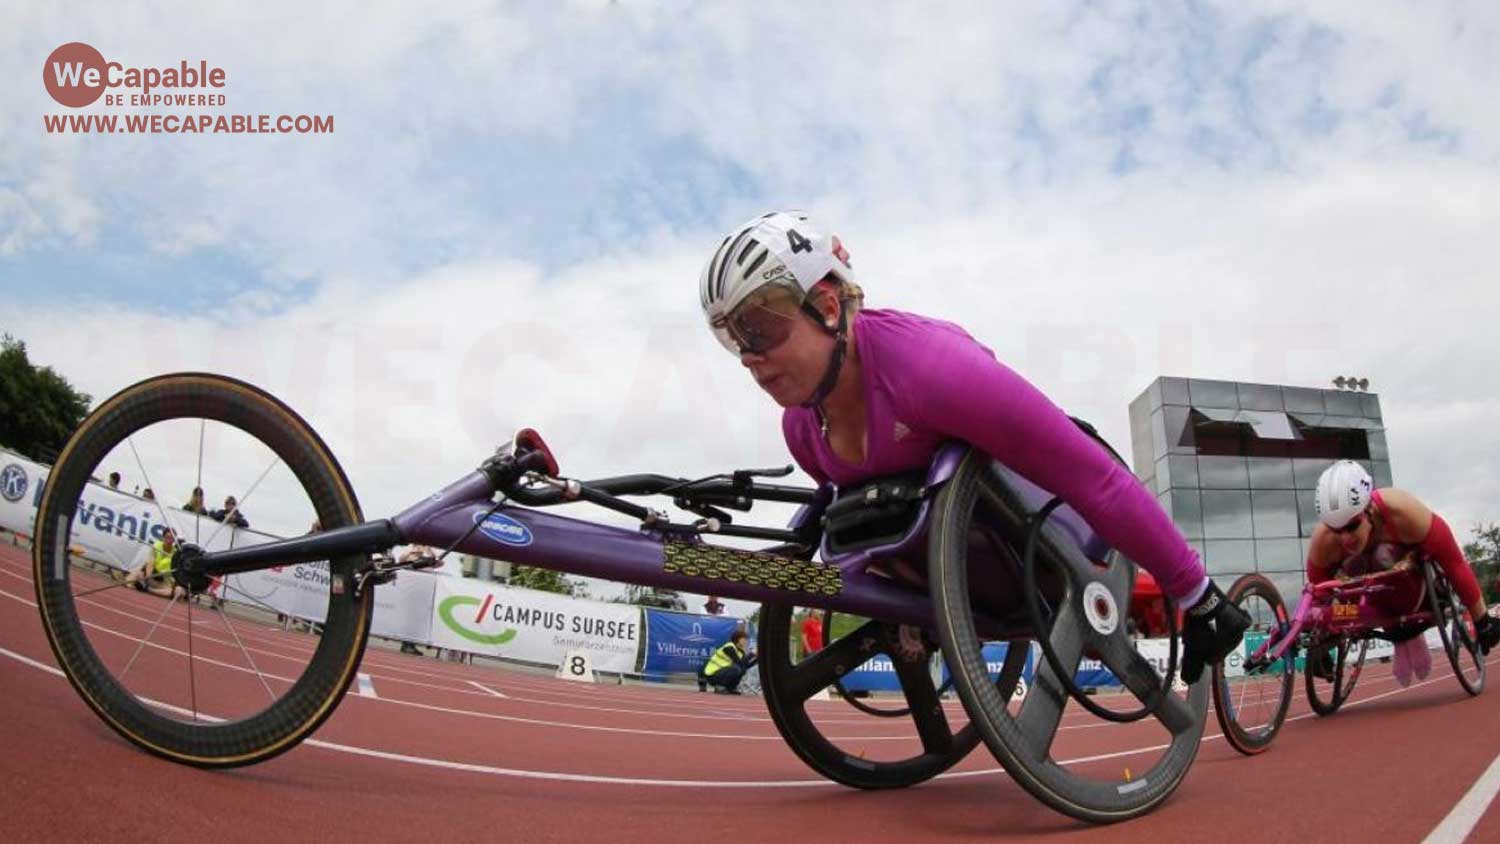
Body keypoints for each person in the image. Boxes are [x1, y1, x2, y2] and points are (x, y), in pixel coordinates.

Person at [698, 211, 1249, 683]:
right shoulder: (800, 429)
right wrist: (894, 602)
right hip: (959, 559)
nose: (749, 355)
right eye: (735, 337)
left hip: (1048, 531)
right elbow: (857, 527)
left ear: (826, 305)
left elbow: (1093, 475)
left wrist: (1196, 595)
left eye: (762, 329)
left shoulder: (930, 369)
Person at [1306, 460, 1500, 687]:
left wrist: (1482, 619)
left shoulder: (1404, 512)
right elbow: (1319, 599)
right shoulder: (1323, 542)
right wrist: (1319, 642)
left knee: (1382, 553)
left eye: (1352, 526)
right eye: (1336, 530)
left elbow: (1454, 562)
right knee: (1352, 564)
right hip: (1366, 604)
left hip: (1416, 589)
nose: (1345, 538)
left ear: (1369, 509)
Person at [123, 528, 187, 600]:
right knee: (136, 573)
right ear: (163, 537)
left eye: (172, 538)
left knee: (180, 591)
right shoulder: (157, 545)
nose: (169, 540)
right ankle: (133, 590)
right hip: (151, 578)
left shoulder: (177, 554)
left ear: (174, 540)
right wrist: (148, 577)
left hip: (164, 583)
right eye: (167, 537)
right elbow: (150, 562)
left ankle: (148, 590)